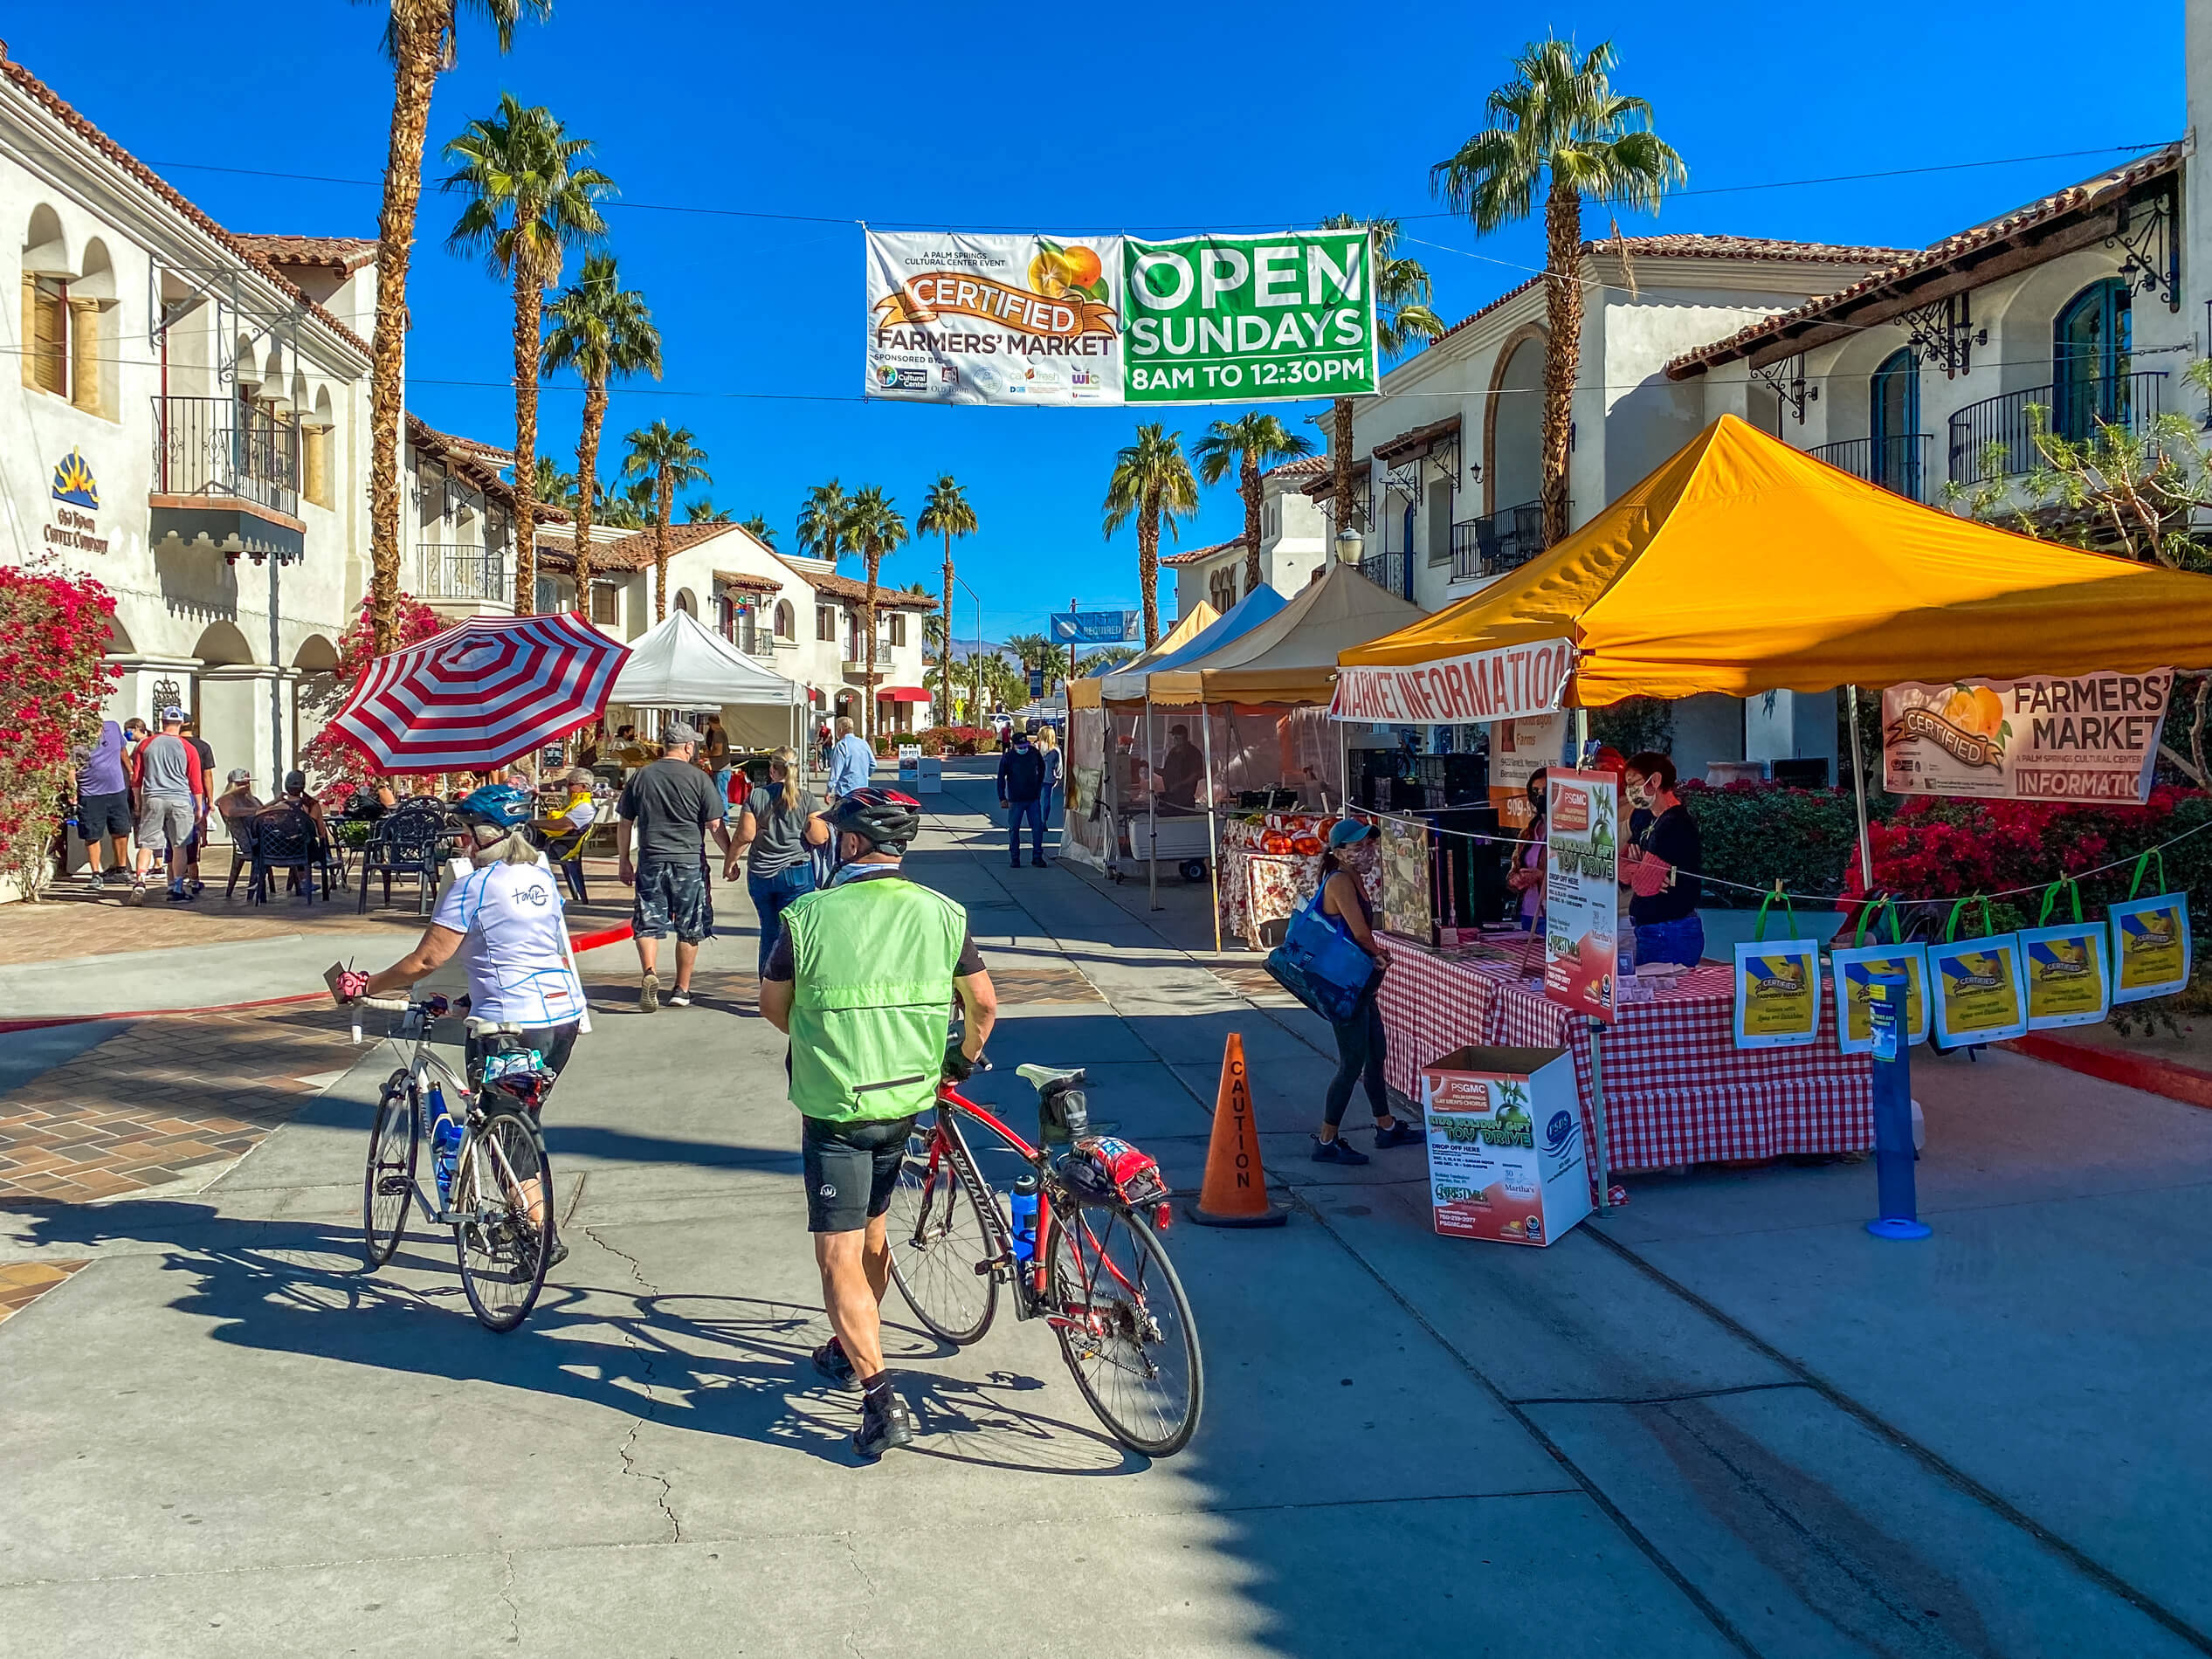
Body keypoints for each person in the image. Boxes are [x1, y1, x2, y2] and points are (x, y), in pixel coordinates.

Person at [757, 788, 998, 1460]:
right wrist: (957, 1063)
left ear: (853, 843)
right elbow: (982, 1006)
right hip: (907, 1099)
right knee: (873, 1229)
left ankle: (879, 1396)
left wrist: (813, 1038)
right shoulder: (943, 913)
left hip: (836, 1104)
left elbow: (773, 1006)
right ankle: (848, 1344)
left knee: (835, 1253)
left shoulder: (807, 915)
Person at [337, 784, 586, 1269]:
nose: (460, 843)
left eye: (466, 834)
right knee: (519, 1120)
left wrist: (371, 984)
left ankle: (538, 1232)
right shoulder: (541, 875)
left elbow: (427, 959)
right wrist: (472, 996)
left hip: (508, 1025)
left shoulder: (474, 885)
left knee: (501, 1129)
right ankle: (527, 1214)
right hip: (561, 1016)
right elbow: (529, 945)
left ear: (486, 836)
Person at [1312, 819, 1422, 1164]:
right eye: (1358, 847)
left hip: (1357, 984)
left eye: (1369, 845)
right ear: (1339, 852)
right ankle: (1327, 1141)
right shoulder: (1341, 881)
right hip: (1343, 986)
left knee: (1376, 1055)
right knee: (1352, 1063)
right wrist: (1378, 953)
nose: (1367, 852)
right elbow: (1360, 934)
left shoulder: (1352, 878)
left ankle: (1385, 1126)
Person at [617, 721, 731, 1013]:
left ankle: (650, 972)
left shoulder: (641, 776)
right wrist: (730, 856)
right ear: (689, 747)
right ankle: (681, 988)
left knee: (647, 920)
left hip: (651, 858)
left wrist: (623, 860)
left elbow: (625, 822)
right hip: (688, 859)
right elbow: (715, 824)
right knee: (689, 925)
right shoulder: (699, 778)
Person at [724, 746, 830, 976]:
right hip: (797, 872)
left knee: (770, 931)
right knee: (795, 933)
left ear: (772, 770)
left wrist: (730, 861)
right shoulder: (807, 799)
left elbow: (745, 835)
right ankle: (792, 988)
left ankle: (768, 986)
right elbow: (818, 837)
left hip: (761, 872)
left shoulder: (757, 797)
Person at [1621, 751, 1705, 967]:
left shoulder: (1675, 823)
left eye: (1634, 782)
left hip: (1670, 930)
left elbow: (1643, 885)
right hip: (1649, 927)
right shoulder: (1644, 817)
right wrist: (1639, 868)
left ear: (1655, 780)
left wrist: (1639, 870)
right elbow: (1617, 863)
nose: (1629, 790)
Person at [127, 707, 205, 905]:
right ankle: (176, 887)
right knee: (180, 845)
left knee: (147, 842)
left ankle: (140, 881)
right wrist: (198, 807)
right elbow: (195, 781)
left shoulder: (146, 744)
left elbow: (137, 776)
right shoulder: (188, 748)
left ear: (162, 722)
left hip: (153, 797)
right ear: (181, 724)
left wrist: (137, 800)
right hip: (179, 798)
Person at [72, 718, 133, 893]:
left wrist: (130, 770)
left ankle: (121, 869)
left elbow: (122, 751)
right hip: (90, 793)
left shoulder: (113, 727)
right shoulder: (76, 742)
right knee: (92, 834)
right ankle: (96, 873)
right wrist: (72, 792)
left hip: (116, 789)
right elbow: (70, 768)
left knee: (121, 830)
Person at [534, 768, 600, 904]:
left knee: (520, 853)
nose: (567, 788)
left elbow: (562, 825)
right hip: (557, 842)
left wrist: (533, 823)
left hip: (562, 848)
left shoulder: (585, 807)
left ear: (583, 787)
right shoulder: (574, 803)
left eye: (571, 784)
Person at [996, 722, 1048, 868]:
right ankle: (1015, 857)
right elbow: (1001, 778)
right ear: (1013, 746)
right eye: (1020, 747)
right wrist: (1002, 797)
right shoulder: (1008, 757)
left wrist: (1039, 786)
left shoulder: (1033, 753)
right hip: (1015, 799)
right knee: (1014, 829)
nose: (1023, 749)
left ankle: (1037, 856)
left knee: (1037, 828)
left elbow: (1042, 768)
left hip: (1033, 798)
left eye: (1025, 746)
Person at [1506, 768, 1548, 933]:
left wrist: (1541, 877)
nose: (1540, 796)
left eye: (1546, 790)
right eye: (1535, 791)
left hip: (1554, 915)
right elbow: (1513, 869)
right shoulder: (1528, 832)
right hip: (1526, 913)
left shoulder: (1568, 833)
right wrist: (1516, 880)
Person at [178, 721, 217, 896]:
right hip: (196, 794)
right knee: (194, 834)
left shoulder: (174, 744)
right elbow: (207, 774)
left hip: (175, 794)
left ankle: (179, 875)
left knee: (176, 838)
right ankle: (193, 873)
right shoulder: (203, 746)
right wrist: (210, 798)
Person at [824, 716, 874, 802]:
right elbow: (873, 764)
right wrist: (865, 775)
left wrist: (829, 790)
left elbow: (836, 771)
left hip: (845, 792)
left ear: (840, 730)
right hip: (862, 791)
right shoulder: (863, 743)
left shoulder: (842, 745)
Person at [1160, 723, 1204, 810]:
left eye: (1176, 737)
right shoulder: (1172, 752)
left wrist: (1179, 785)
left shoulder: (1193, 753)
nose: (1174, 739)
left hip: (1185, 800)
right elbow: (1166, 773)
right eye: (1174, 737)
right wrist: (1149, 767)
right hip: (1171, 798)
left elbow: (1198, 774)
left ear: (1182, 737)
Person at [1036, 725, 1063, 828]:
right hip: (1049, 776)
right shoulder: (1055, 750)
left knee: (1036, 800)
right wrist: (1058, 777)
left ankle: (1036, 820)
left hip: (1036, 777)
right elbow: (1059, 765)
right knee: (1047, 800)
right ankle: (1044, 821)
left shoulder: (1037, 747)